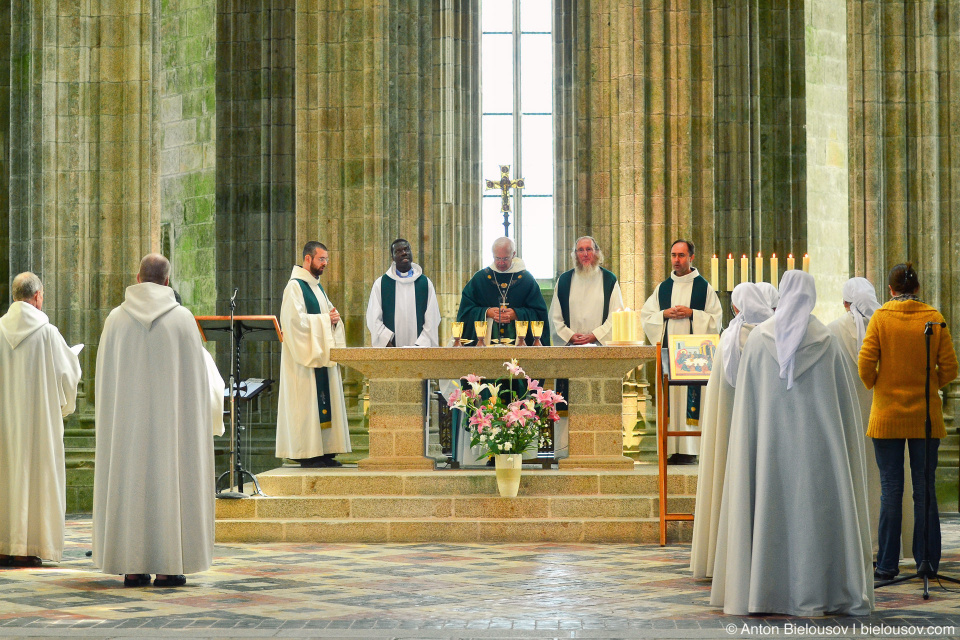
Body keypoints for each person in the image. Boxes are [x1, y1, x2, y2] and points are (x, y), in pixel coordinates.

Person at [710, 270, 873, 616]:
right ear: (812, 297)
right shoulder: (827, 342)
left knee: (768, 505)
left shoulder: (758, 340)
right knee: (816, 515)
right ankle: (821, 588)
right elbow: (843, 409)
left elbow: (748, 408)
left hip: (768, 452)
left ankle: (764, 591)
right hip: (819, 455)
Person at [93, 254, 225, 588]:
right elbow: (197, 385)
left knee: (131, 481)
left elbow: (104, 382)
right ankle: (169, 567)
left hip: (128, 432)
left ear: (137, 278)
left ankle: (132, 567)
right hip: (172, 433)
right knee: (170, 483)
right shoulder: (182, 320)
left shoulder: (116, 320)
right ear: (167, 281)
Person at [858, 263, 958, 581]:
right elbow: (951, 368)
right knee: (924, 491)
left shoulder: (881, 318)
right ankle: (926, 562)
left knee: (891, 490)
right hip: (924, 416)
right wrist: (930, 386)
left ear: (890, 289)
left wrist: (879, 385)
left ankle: (887, 565)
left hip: (887, 416)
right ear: (916, 288)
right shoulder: (933, 316)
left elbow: (864, 363)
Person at [689, 282, 771, 579]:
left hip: (728, 427)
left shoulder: (728, 337)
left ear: (737, 307)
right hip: (761, 427)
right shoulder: (770, 336)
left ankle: (723, 557)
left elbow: (718, 389)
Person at [828, 277, 913, 563]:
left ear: (845, 303)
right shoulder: (889, 323)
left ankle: (854, 547)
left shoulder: (833, 330)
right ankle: (889, 547)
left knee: (857, 479)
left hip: (848, 417)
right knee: (887, 482)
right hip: (887, 415)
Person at [0, 273, 81, 568]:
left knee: (6, 477)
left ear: (14, 296)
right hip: (37, 424)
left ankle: (4, 544)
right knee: (36, 477)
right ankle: (28, 546)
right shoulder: (47, 333)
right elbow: (67, 374)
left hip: (5, 424)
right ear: (37, 297)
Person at [640, 239, 722, 464]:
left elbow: (716, 321)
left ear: (691, 257)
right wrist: (664, 314)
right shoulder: (663, 288)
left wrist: (693, 313)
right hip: (669, 355)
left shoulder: (703, 287)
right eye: (674, 255)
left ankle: (690, 449)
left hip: (693, 359)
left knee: (689, 399)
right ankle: (671, 448)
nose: (677, 260)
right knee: (671, 400)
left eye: (681, 255)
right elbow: (646, 317)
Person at [277, 242, 351, 468]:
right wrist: (324, 321)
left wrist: (335, 320)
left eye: (326, 259)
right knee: (306, 404)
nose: (325, 264)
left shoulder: (317, 287)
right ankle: (307, 452)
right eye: (321, 259)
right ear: (307, 259)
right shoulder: (295, 287)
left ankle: (325, 450)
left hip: (319, 357)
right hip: (304, 363)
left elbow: (327, 316)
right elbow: (293, 323)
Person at [456, 237, 550, 346]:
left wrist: (517, 314)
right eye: (497, 258)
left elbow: (539, 313)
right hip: (486, 346)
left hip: (519, 345)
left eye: (505, 258)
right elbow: (465, 311)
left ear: (513, 254)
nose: (501, 263)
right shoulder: (480, 278)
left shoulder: (526, 279)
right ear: (492, 255)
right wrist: (487, 312)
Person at [549, 236, 624, 346]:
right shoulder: (564, 280)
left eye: (589, 249)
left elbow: (616, 315)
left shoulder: (609, 280)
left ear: (596, 252)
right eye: (581, 250)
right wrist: (569, 336)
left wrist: (595, 335)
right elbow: (555, 317)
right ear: (575, 255)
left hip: (599, 346)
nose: (585, 254)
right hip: (572, 347)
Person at [366, 238, 441, 347]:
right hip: (390, 350)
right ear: (392, 257)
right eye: (398, 251)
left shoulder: (425, 283)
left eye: (406, 249)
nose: (404, 253)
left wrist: (420, 345)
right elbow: (373, 318)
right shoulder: (381, 284)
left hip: (420, 351)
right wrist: (386, 342)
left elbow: (433, 318)